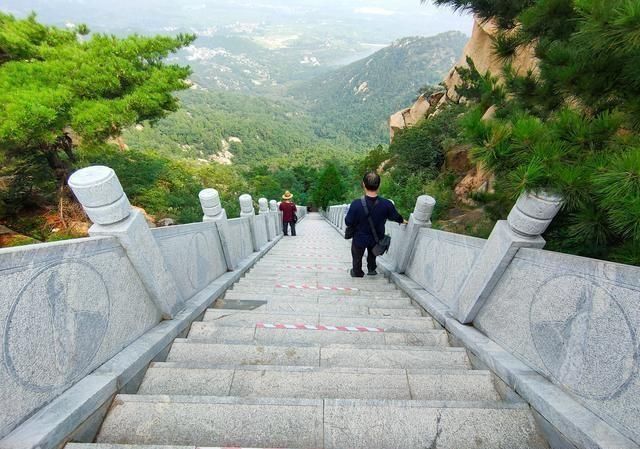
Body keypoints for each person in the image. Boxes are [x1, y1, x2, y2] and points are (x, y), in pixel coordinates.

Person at [345, 172, 404, 277]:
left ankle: (357, 271)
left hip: (360, 237)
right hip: (377, 237)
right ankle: (371, 268)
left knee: (357, 255)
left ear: (363, 184)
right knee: (372, 253)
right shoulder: (387, 204)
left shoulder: (356, 204)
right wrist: (403, 221)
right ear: (379, 185)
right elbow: (395, 217)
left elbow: (348, 221)